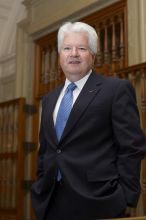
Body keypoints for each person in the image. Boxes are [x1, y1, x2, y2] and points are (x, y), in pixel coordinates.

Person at [31, 21, 146, 220]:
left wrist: (125, 196)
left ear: (92, 55)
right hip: (50, 202)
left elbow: (132, 146)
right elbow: (47, 151)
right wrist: (40, 185)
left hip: (99, 202)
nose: (73, 53)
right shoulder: (49, 99)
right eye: (67, 48)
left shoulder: (115, 90)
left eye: (81, 48)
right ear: (60, 55)